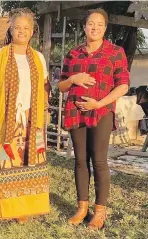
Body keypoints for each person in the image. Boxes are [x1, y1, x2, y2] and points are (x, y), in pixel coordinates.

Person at [0, 8, 51, 229]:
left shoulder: (38, 58)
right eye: (17, 27)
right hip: (5, 118)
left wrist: (43, 112)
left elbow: (45, 89)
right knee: (0, 162)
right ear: (11, 29)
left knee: (27, 164)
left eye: (26, 28)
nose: (21, 31)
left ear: (32, 32)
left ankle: (20, 207)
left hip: (32, 120)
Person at [58, 8, 129, 230]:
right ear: (85, 26)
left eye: (99, 24)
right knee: (80, 160)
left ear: (105, 28)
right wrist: (74, 79)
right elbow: (60, 86)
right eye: (91, 23)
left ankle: (100, 211)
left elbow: (123, 85)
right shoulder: (73, 54)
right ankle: (82, 208)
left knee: (98, 160)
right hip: (76, 111)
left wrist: (99, 103)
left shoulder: (115, 52)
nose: (94, 27)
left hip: (101, 112)